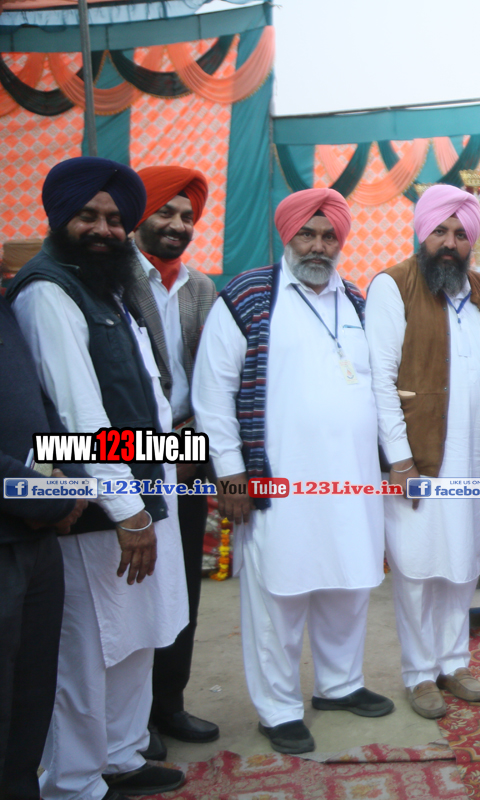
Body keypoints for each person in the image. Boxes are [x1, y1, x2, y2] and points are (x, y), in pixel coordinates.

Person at [7, 157, 188, 799]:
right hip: (97, 507)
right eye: (88, 216)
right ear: (61, 218)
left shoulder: (109, 284)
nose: (104, 229)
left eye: (114, 219)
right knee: (86, 651)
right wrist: (128, 511)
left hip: (145, 490)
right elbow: (80, 413)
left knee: (138, 633)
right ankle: (76, 780)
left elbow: (147, 394)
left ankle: (121, 755)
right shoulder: (48, 291)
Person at [192, 188, 392, 755]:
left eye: (329, 235)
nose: (319, 245)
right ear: (287, 235)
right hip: (278, 482)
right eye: (308, 233)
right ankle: (278, 709)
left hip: (352, 481)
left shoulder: (356, 301)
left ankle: (340, 685)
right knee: (277, 594)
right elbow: (212, 392)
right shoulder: (249, 295)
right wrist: (230, 473)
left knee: (349, 583)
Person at [365, 185, 480, 720]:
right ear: (422, 232)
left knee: (463, 561)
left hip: (473, 456)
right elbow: (379, 379)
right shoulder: (393, 285)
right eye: (440, 231)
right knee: (417, 565)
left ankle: (453, 661)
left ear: (472, 241)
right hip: (418, 457)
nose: (449, 242)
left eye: (460, 233)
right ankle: (419, 672)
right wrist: (399, 460)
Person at [125, 166, 219, 753]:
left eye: (187, 216)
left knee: (182, 584)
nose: (178, 225)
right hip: (129, 459)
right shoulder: (113, 278)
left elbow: (212, 377)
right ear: (141, 215)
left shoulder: (200, 288)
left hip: (187, 453)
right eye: (166, 212)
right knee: (134, 590)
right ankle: (131, 722)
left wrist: (194, 443)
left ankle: (170, 704)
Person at [0, 299, 87, 800]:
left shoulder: (6, 308)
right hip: (12, 534)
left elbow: (47, 412)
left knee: (31, 698)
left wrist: (68, 482)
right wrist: (46, 497)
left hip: (36, 543)